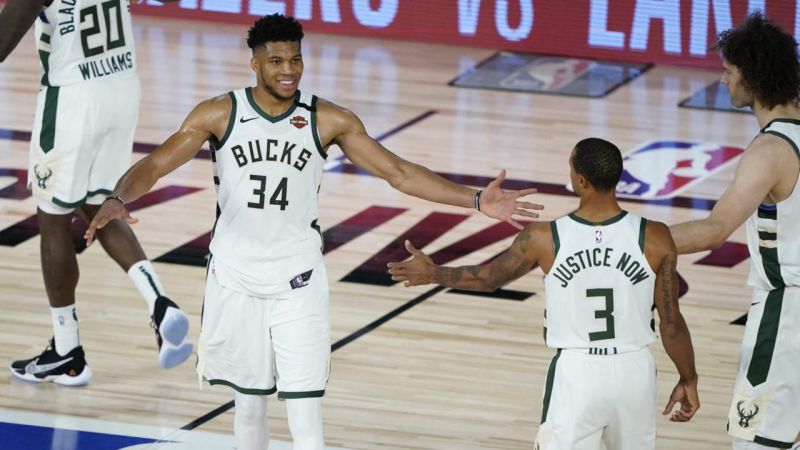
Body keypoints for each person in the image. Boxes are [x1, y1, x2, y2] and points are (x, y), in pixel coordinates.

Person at [83, 13, 541, 450]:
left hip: (297, 282)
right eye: (277, 61)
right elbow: (155, 165)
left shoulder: (329, 119)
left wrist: (475, 200)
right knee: (248, 408)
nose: (289, 70)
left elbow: (399, 173)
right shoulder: (219, 113)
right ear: (255, 64)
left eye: (296, 59)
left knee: (306, 421)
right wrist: (119, 196)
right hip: (234, 279)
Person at [389, 138, 700, 449]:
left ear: (581, 180)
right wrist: (689, 379)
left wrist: (433, 273)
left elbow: (488, 279)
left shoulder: (544, 238)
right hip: (635, 372)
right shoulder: (656, 236)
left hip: (577, 371)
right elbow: (671, 324)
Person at [1, 0, 193, 386]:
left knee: (52, 218)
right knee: (101, 204)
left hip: (73, 98)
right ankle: (159, 303)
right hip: (122, 88)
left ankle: (66, 351)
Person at [669, 12, 800, 450]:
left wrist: (630, 237)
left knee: (757, 442)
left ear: (752, 76)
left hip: (787, 316)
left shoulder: (771, 149)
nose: (723, 79)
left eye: (728, 70)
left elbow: (714, 229)